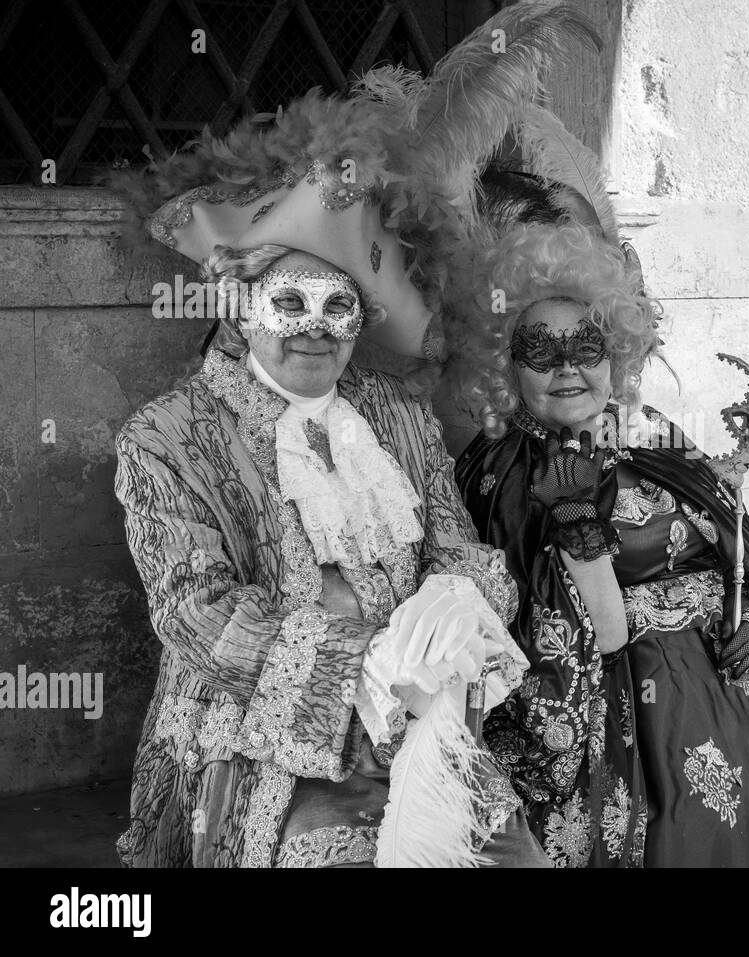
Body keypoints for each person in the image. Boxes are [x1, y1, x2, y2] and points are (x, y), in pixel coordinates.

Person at [110, 3, 598, 867]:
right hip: (269, 746)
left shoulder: (395, 417)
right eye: (290, 303)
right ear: (240, 305)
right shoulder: (167, 437)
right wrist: (363, 671)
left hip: (428, 720)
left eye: (339, 307)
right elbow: (197, 612)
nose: (317, 329)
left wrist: (452, 624)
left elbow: (459, 545)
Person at [449, 222, 749, 867]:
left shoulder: (652, 433)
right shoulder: (501, 472)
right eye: (542, 352)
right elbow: (512, 624)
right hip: (610, 724)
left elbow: (738, 557)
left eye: (585, 347)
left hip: (733, 694)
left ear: (613, 352)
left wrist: (747, 633)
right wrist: (576, 541)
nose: (568, 369)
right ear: (506, 362)